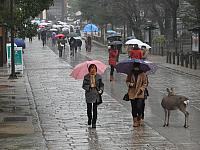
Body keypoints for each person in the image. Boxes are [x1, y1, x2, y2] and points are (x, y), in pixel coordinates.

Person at [82, 64, 104, 128]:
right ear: (89, 69)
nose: (93, 69)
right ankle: (89, 118)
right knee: (89, 109)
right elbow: (84, 85)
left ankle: (94, 122)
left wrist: (101, 90)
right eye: (91, 68)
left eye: (94, 68)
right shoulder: (86, 76)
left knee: (95, 109)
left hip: (96, 94)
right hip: (89, 94)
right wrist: (89, 87)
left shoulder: (98, 76)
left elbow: (101, 85)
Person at [126, 62, 148, 127]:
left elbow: (145, 83)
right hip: (132, 92)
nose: (136, 68)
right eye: (135, 67)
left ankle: (139, 117)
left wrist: (141, 89)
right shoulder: (130, 73)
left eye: (137, 67)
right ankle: (135, 121)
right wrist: (130, 84)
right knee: (133, 107)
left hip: (140, 93)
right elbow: (127, 81)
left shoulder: (143, 74)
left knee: (139, 106)